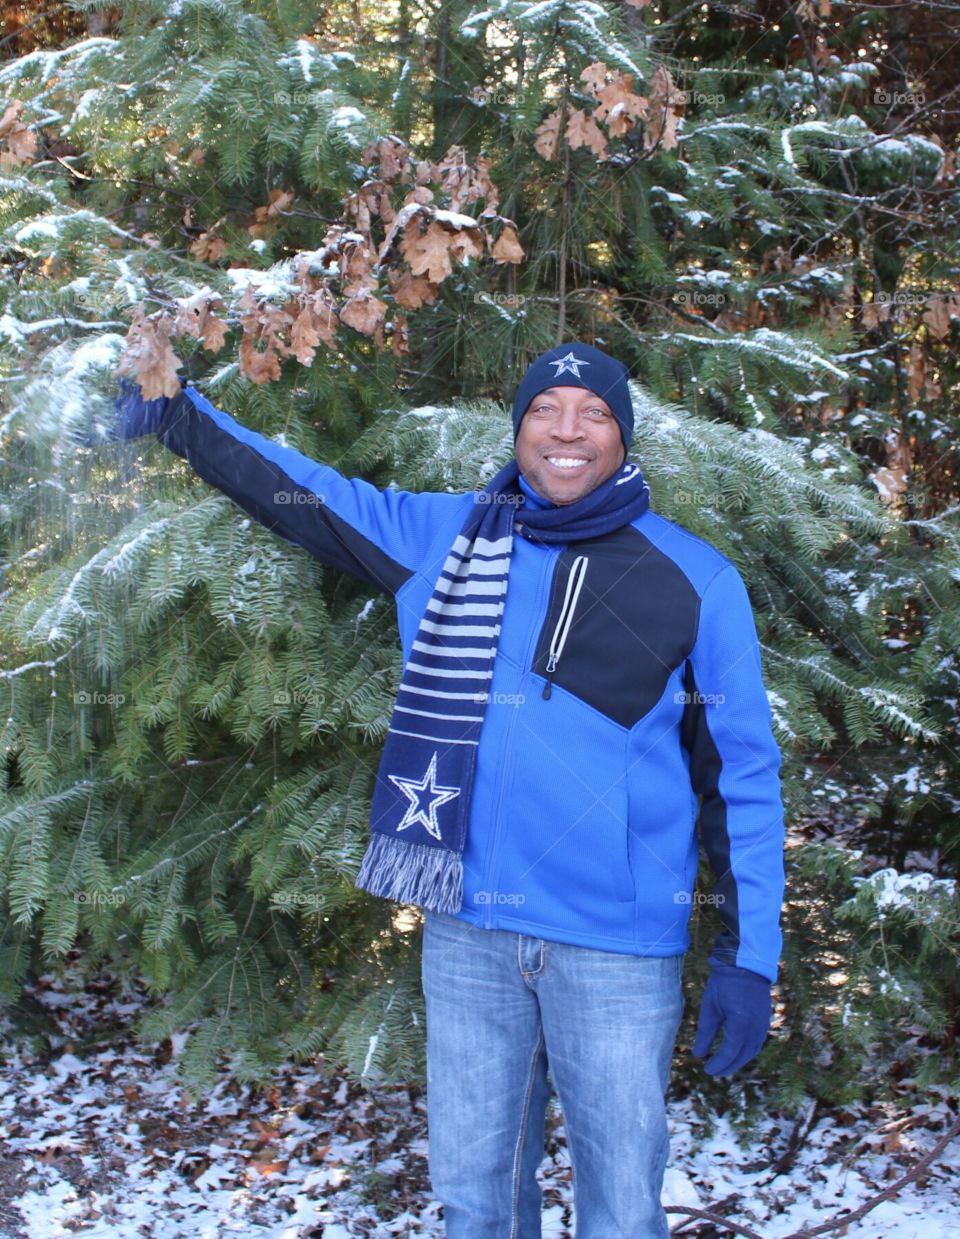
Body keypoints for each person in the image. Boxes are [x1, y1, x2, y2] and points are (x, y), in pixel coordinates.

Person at [103, 341, 785, 1238]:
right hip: (470, 935)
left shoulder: (697, 579)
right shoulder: (443, 538)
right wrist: (177, 414)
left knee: (621, 1209)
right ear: (519, 426)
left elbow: (739, 778)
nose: (567, 431)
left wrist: (749, 956)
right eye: (545, 409)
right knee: (476, 1200)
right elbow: (299, 494)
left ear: (624, 435)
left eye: (595, 413)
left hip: (616, 947)